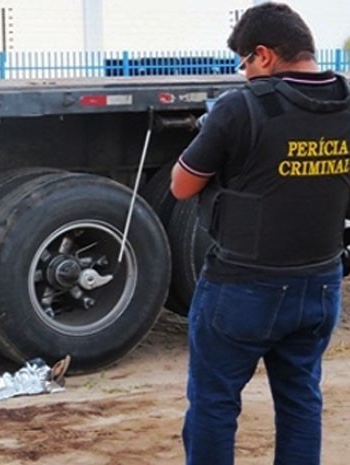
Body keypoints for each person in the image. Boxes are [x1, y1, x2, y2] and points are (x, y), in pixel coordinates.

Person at [170, 2, 350, 464]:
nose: (244, 73)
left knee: (214, 403)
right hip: (320, 283)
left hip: (242, 288)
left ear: (264, 55)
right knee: (300, 400)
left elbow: (182, 185)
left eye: (245, 62)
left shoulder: (240, 108)